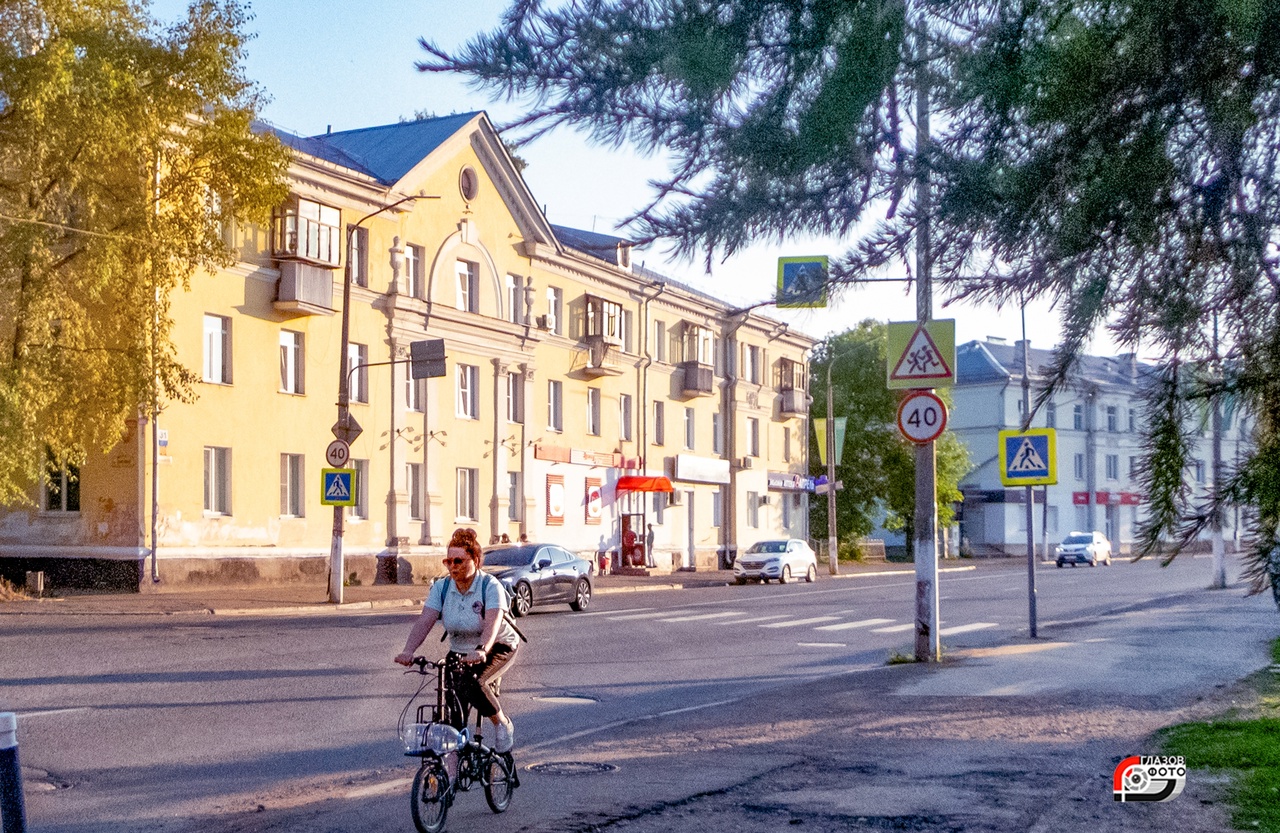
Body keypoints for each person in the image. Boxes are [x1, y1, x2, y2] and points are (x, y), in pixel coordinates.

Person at [395, 527, 520, 752]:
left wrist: (482, 649)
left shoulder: (490, 586)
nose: (453, 566)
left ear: (475, 560)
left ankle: (502, 724)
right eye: (449, 561)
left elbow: (492, 623)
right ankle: (450, 781)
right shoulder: (442, 588)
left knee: (474, 682)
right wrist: (408, 651)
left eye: (459, 561)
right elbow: (425, 621)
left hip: (497, 646)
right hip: (460, 648)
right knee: (451, 714)